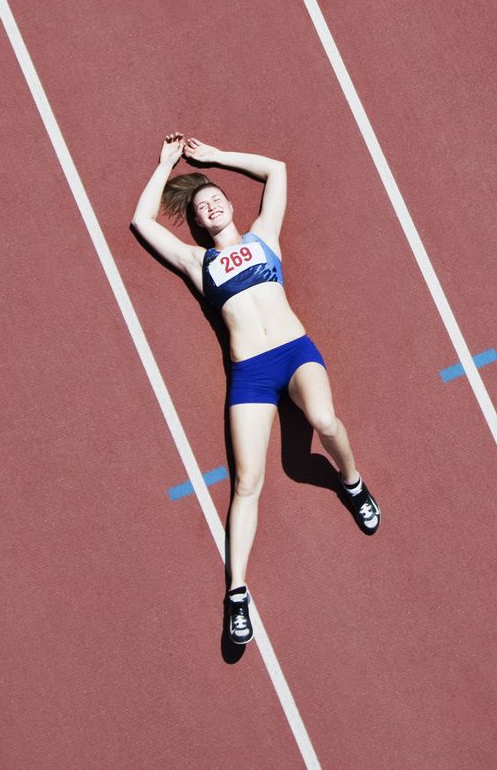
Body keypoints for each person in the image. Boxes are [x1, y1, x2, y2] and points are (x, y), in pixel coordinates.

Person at [131, 133, 379, 649]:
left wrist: (214, 157)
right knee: (247, 483)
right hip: (250, 375)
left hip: (294, 354)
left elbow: (277, 168)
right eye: (202, 207)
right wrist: (163, 164)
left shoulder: (265, 236)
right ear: (199, 224)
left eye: (215, 197)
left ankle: (352, 483)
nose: (211, 204)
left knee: (325, 422)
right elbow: (141, 222)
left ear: (229, 205)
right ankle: (237, 593)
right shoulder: (198, 264)